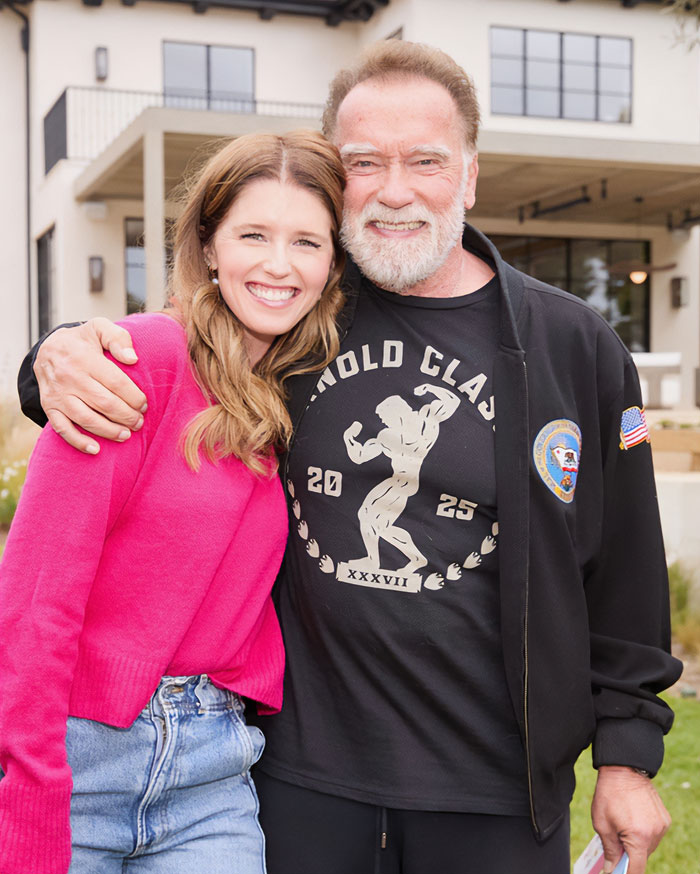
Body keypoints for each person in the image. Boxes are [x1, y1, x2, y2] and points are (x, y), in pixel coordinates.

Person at [17, 41, 681, 874]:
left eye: (426, 161)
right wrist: (52, 359)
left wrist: (625, 756)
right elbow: (173, 355)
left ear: (469, 175)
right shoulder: (300, 314)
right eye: (365, 161)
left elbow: (622, 570)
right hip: (295, 779)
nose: (396, 190)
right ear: (339, 179)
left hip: (496, 793)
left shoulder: (571, 345)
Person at [1, 129, 346, 874]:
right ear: (210, 248)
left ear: (332, 264)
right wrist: (30, 795)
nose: (279, 265)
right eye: (253, 234)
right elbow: (36, 601)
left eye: (307, 242)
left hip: (212, 777)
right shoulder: (136, 362)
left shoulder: (299, 395)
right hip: (78, 759)